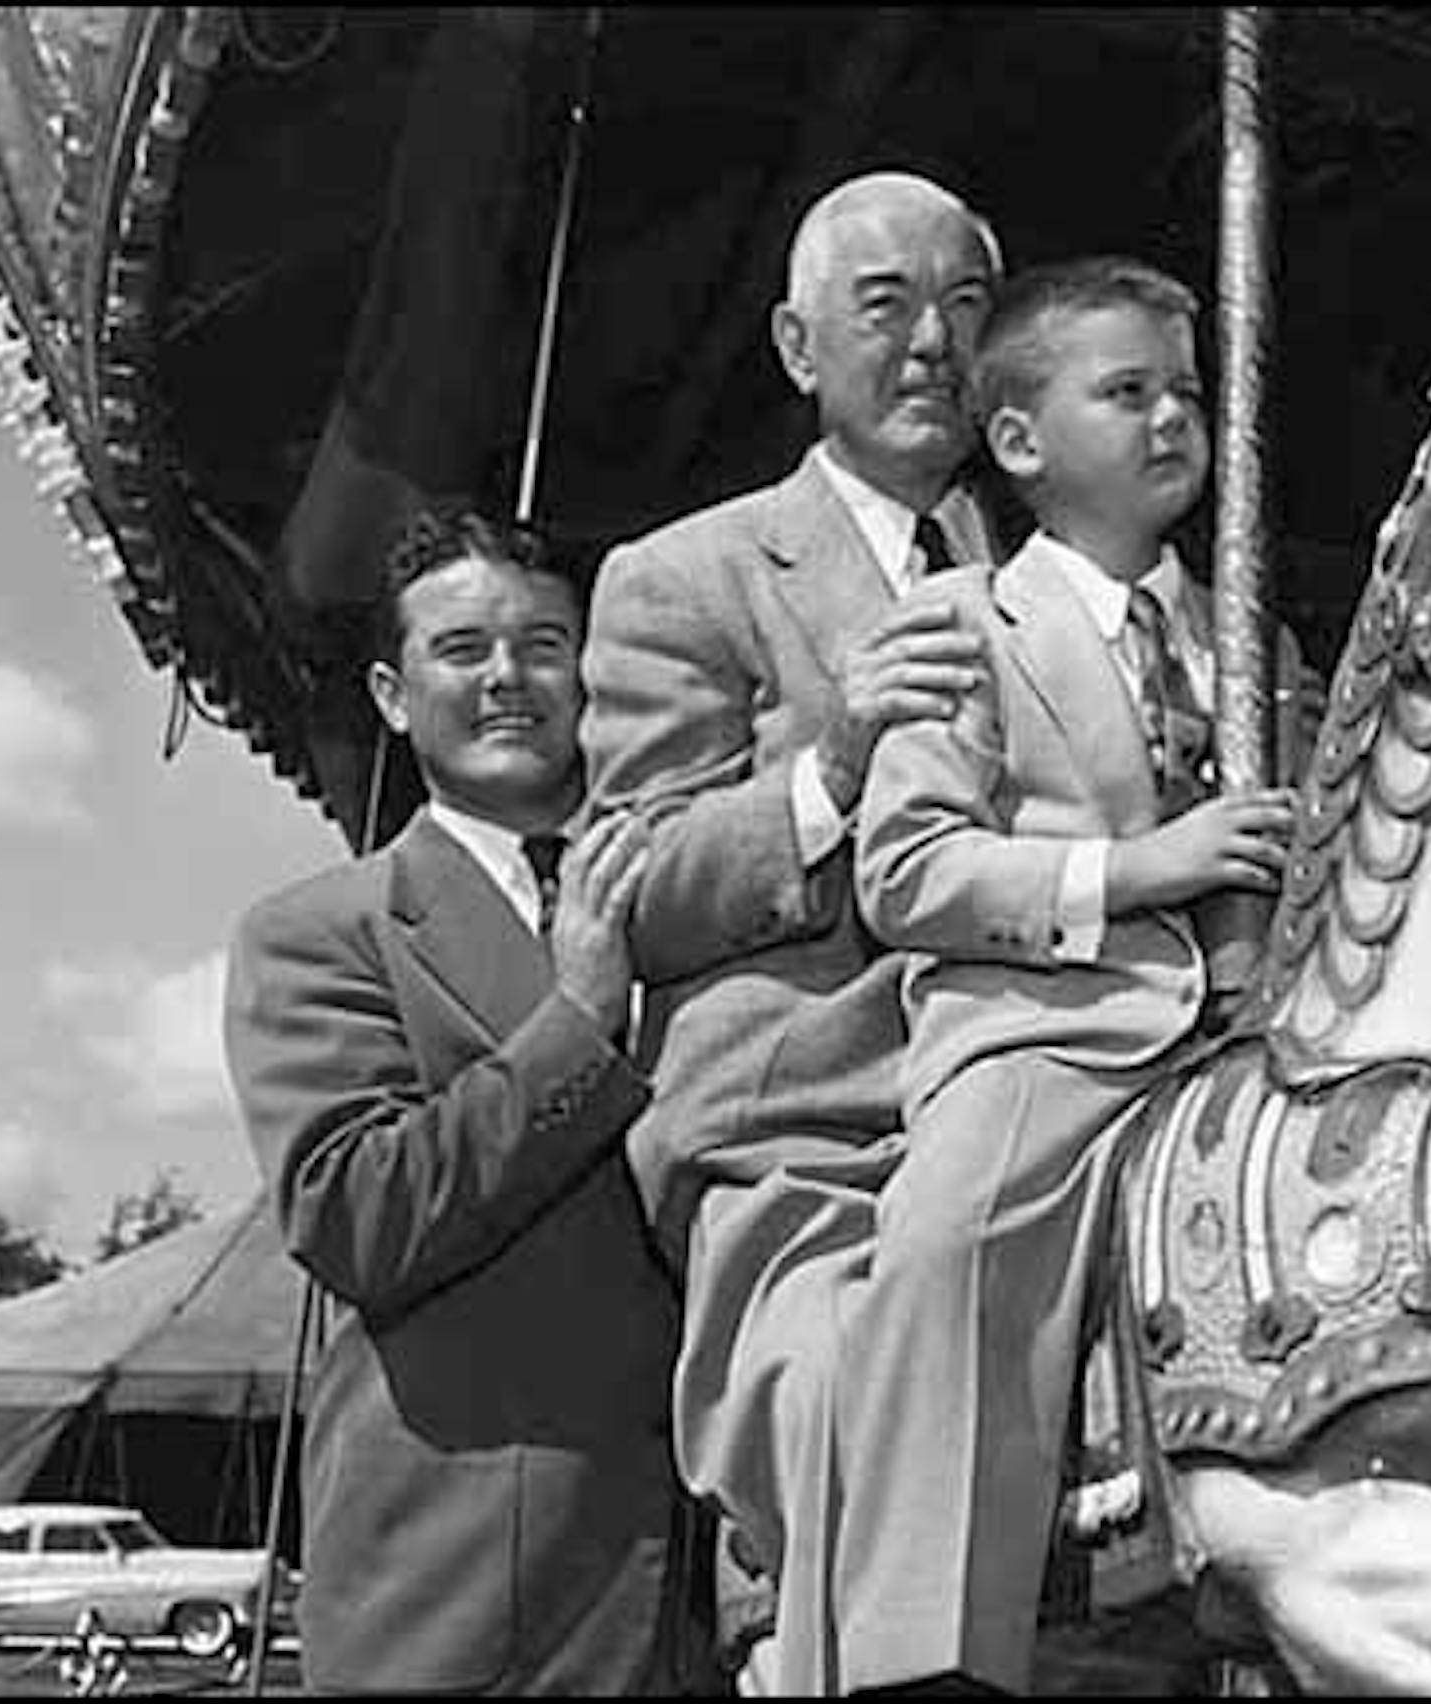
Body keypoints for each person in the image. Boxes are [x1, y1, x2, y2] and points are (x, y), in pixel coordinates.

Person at [844, 256, 1299, 1693]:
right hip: (1052, 1039)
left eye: (1189, 392)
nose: (1172, 417)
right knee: (952, 1242)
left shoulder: (1258, 644)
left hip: (1259, 1041)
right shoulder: (966, 625)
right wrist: (1140, 870)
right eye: (1127, 391)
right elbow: (906, 869)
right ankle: (925, 1651)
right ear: (1021, 441)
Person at [577, 169, 1005, 1695]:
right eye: (887, 305)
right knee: (846, 1391)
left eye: (968, 306)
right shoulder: (685, 576)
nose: (934, 342)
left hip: (1038, 1092)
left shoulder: (1061, 579)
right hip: (810, 1130)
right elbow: (638, 886)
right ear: (796, 346)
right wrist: (833, 762)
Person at [222, 507, 692, 1694]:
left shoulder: (690, 889)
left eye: (544, 645)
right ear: (392, 695)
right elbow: (356, 1214)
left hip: (719, 1588)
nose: (507, 678)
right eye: (462, 648)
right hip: (469, 1602)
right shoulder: (320, 934)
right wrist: (579, 1018)